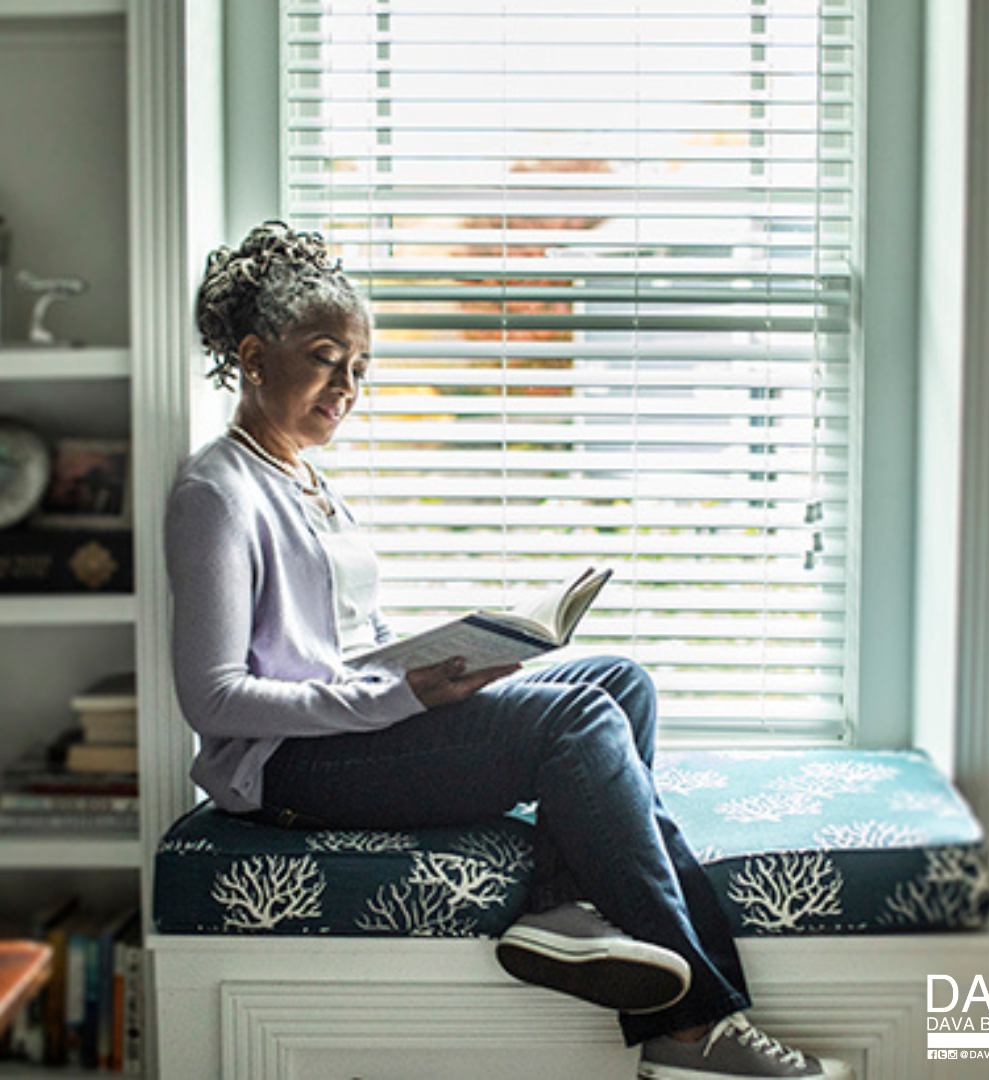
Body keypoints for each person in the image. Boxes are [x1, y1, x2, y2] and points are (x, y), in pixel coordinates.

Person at [166, 221, 854, 1080]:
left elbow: (343, 645)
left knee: (620, 681)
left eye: (359, 368)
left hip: (351, 729)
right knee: (575, 719)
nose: (347, 385)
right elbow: (215, 699)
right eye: (325, 356)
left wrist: (449, 658)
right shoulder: (215, 493)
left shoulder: (308, 480)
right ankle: (692, 1033)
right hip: (287, 771)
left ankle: (562, 909)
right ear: (254, 354)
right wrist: (401, 697)